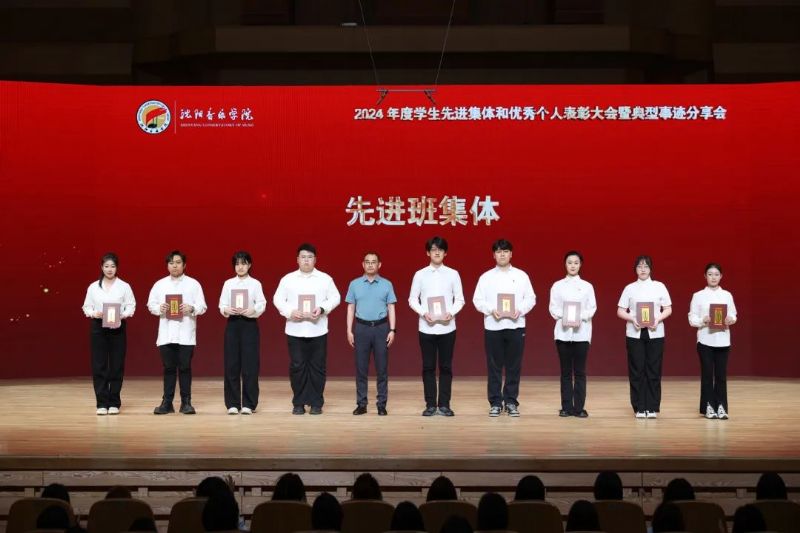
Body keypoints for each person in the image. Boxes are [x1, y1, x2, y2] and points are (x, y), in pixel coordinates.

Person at [273, 243, 340, 415]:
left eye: (310, 257)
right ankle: (299, 402)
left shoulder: (325, 278)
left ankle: (316, 403)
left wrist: (322, 309)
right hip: (295, 329)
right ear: (297, 259)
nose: (306, 260)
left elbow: (335, 297)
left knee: (318, 367)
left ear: (315, 260)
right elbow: (278, 299)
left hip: (318, 330)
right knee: (297, 367)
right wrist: (290, 311)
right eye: (303, 257)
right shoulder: (287, 279)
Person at [472, 239, 536, 417]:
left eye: (505, 251)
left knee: (514, 366)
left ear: (511, 254)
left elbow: (531, 298)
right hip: (493, 327)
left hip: (516, 326)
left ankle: (511, 402)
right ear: (493, 255)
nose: (502, 254)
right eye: (499, 252)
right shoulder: (486, 277)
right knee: (494, 367)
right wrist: (491, 310)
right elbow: (477, 300)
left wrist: (520, 310)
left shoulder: (522, 276)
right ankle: (495, 402)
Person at [408, 236, 465, 417]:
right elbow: (412, 299)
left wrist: (451, 313)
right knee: (428, 367)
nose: (437, 252)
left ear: (445, 253)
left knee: (446, 367)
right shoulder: (420, 274)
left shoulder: (453, 274)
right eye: (433, 250)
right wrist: (424, 313)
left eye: (440, 249)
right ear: (428, 253)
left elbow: (460, 299)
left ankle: (445, 404)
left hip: (448, 328)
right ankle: (431, 404)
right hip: (426, 328)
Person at [147, 250, 207, 415]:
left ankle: (186, 402)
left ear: (184, 265)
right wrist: (159, 308)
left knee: (185, 368)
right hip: (166, 333)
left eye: (178, 262)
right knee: (168, 368)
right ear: (167, 265)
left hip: (186, 333)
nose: (175, 266)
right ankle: (167, 402)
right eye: (171, 263)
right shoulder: (159, 284)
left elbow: (202, 306)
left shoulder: (193, 284)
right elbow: (151, 305)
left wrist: (191, 308)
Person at [617, 255, 672, 419]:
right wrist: (632, 319)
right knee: (637, 370)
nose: (643, 269)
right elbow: (620, 311)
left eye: (646, 266)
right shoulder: (629, 288)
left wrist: (658, 319)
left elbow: (668, 308)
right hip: (634, 333)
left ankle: (652, 407)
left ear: (650, 269)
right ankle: (639, 407)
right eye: (640, 266)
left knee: (654, 370)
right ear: (635, 269)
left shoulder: (659, 286)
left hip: (656, 332)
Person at [82, 252, 136, 415]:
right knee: (99, 365)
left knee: (116, 365)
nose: (109, 269)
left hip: (117, 327)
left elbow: (131, 305)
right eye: (106, 266)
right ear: (101, 267)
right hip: (98, 327)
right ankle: (101, 403)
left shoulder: (124, 286)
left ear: (117, 268)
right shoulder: (93, 287)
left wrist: (122, 315)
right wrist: (94, 313)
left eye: (112, 266)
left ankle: (114, 402)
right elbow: (86, 306)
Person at [345, 252, 397, 416]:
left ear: (379, 265)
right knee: (361, 369)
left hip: (381, 328)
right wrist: (349, 330)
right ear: (363, 264)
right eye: (367, 262)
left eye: (373, 262)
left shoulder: (387, 284)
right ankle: (361, 404)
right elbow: (350, 308)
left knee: (382, 369)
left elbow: (391, 308)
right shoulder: (354, 284)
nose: (370, 265)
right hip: (361, 328)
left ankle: (381, 404)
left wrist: (392, 330)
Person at [548, 250, 597, 418]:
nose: (573, 266)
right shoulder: (557, 285)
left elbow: (592, 308)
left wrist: (578, 317)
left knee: (580, 372)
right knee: (566, 372)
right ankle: (566, 407)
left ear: (580, 265)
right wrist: (565, 317)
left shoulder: (587, 286)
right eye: (569, 262)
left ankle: (579, 408)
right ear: (565, 264)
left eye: (576, 263)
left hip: (581, 334)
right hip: (562, 334)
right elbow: (553, 307)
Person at [219, 251, 267, 415]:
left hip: (249, 324)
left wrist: (253, 310)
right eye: (237, 264)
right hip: (233, 324)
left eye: (244, 263)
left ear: (249, 265)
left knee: (250, 365)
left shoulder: (255, 284)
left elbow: (262, 303)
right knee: (231, 364)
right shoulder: (228, 283)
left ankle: (249, 403)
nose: (240, 267)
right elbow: (221, 304)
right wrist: (226, 309)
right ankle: (232, 404)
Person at [688, 263, 737, 420]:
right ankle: (708, 407)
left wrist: (730, 319)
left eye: (716, 274)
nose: (713, 277)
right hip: (705, 340)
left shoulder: (727, 295)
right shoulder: (698, 295)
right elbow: (692, 319)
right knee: (707, 375)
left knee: (721, 376)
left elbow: (734, 314)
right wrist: (703, 320)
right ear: (705, 276)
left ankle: (721, 407)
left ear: (721, 276)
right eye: (710, 274)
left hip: (723, 340)